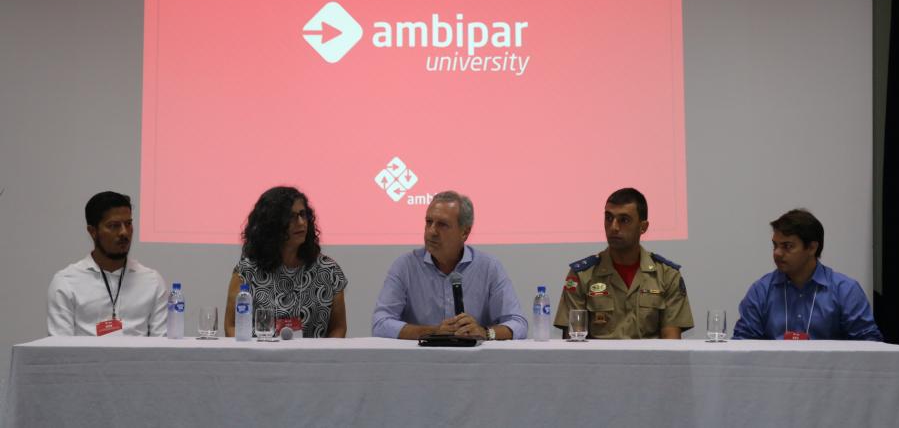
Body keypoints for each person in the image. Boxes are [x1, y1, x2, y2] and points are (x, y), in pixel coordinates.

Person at [372, 190, 527, 340]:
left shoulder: (489, 267)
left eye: (442, 225)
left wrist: (485, 333)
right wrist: (433, 332)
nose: (431, 231)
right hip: (420, 363)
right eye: (429, 222)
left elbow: (518, 324)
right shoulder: (405, 266)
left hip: (474, 363)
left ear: (465, 233)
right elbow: (380, 323)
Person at [554, 188, 694, 339]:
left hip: (649, 361)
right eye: (608, 218)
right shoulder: (582, 275)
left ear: (643, 227)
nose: (613, 227)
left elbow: (671, 346)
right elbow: (573, 344)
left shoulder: (667, 275)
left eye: (624, 220)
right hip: (599, 361)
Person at [732, 209, 882, 341]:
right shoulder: (761, 291)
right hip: (776, 372)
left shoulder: (845, 290)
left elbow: (869, 345)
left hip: (829, 372)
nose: (777, 253)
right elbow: (742, 344)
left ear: (812, 248)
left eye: (787, 246)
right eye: (775, 245)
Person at [224, 186, 347, 338]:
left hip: (313, 360)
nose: (301, 222)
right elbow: (232, 326)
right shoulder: (247, 271)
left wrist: (324, 359)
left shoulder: (328, 270)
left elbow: (338, 328)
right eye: (292, 217)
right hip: (260, 359)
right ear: (272, 224)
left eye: (303, 214)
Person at [47, 191, 168, 336]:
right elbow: (58, 350)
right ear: (92, 231)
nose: (124, 232)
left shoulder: (152, 281)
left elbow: (162, 349)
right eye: (114, 225)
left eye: (128, 224)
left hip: (139, 359)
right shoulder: (67, 282)